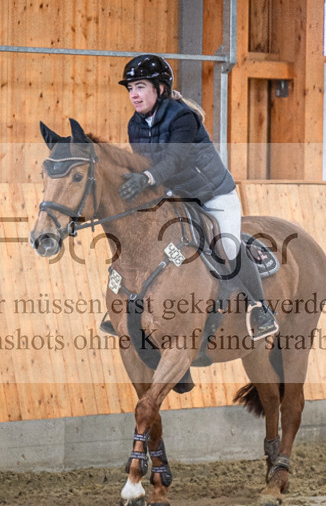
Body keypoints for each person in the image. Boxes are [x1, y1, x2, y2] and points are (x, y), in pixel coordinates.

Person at [116, 54, 278, 341]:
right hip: (176, 196)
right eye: (130, 89)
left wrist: (148, 178)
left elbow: (173, 161)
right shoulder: (134, 124)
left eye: (140, 86)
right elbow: (144, 164)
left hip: (213, 195)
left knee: (227, 246)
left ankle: (260, 308)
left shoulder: (183, 118)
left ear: (160, 88)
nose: (133, 95)